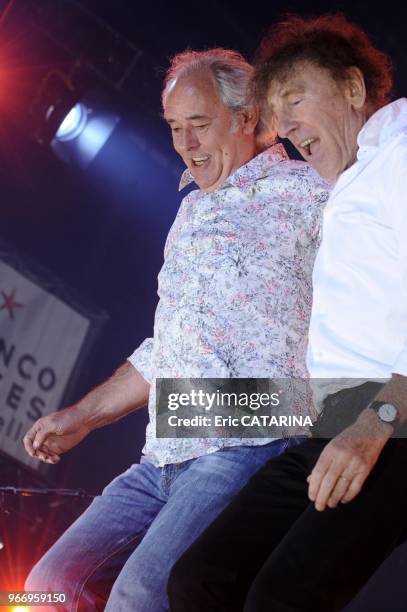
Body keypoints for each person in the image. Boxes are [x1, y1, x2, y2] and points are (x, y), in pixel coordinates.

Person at [23, 48, 328, 612]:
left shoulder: (309, 192)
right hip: (162, 453)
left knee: (141, 596)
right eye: (174, 128)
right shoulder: (189, 215)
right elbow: (168, 349)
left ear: (245, 116)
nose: (185, 144)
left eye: (199, 125)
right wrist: (79, 418)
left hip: (246, 440)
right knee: (47, 584)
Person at [168, 14, 407, 612]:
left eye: (295, 100)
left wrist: (375, 421)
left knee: (280, 598)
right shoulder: (347, 181)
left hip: (389, 418)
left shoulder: (400, 152)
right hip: (327, 419)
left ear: (352, 88)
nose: (287, 125)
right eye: (278, 110)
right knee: (199, 580)